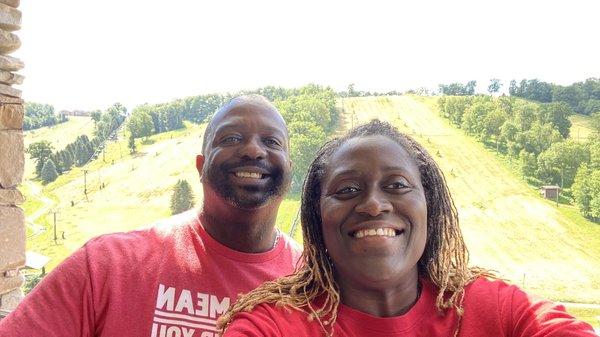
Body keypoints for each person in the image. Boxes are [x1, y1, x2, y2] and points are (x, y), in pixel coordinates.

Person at [218, 120, 597, 337]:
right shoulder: (276, 324)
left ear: (429, 207)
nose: (373, 204)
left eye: (397, 185)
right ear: (318, 219)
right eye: (347, 190)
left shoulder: (494, 309)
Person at [0, 95, 302, 337]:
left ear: (289, 168)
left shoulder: (317, 285)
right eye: (231, 138)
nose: (252, 149)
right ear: (200, 166)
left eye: (271, 141)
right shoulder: (106, 267)